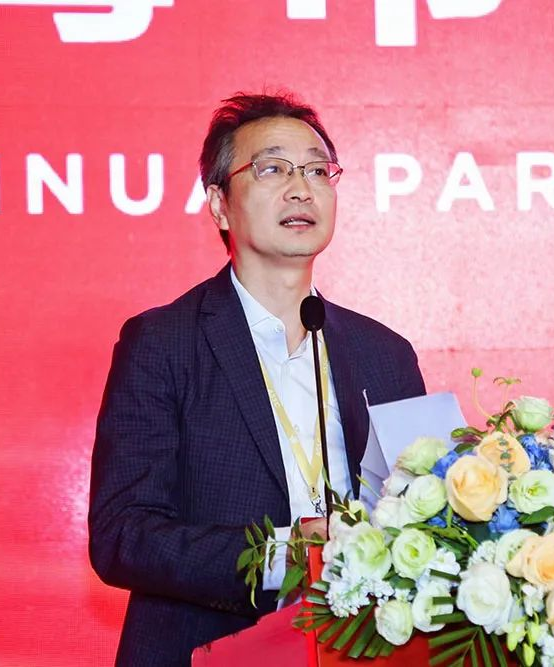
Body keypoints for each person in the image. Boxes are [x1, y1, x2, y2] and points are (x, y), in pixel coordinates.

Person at [88, 92, 426, 666]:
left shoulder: (385, 354)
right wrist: (282, 555)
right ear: (219, 204)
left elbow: (424, 517)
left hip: (361, 649)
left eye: (317, 170)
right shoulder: (163, 343)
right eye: (272, 169)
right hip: (208, 650)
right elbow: (123, 534)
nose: (302, 188)